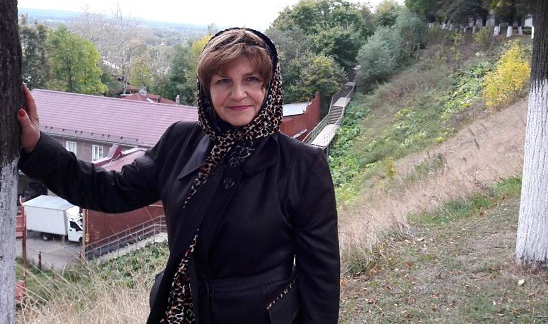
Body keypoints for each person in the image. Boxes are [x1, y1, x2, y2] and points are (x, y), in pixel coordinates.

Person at [17, 28, 340, 324]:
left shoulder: (302, 165)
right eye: (223, 81)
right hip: (177, 312)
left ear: (268, 86)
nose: (238, 93)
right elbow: (109, 190)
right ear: (206, 88)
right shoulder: (181, 141)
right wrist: (37, 147)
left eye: (251, 79)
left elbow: (320, 276)